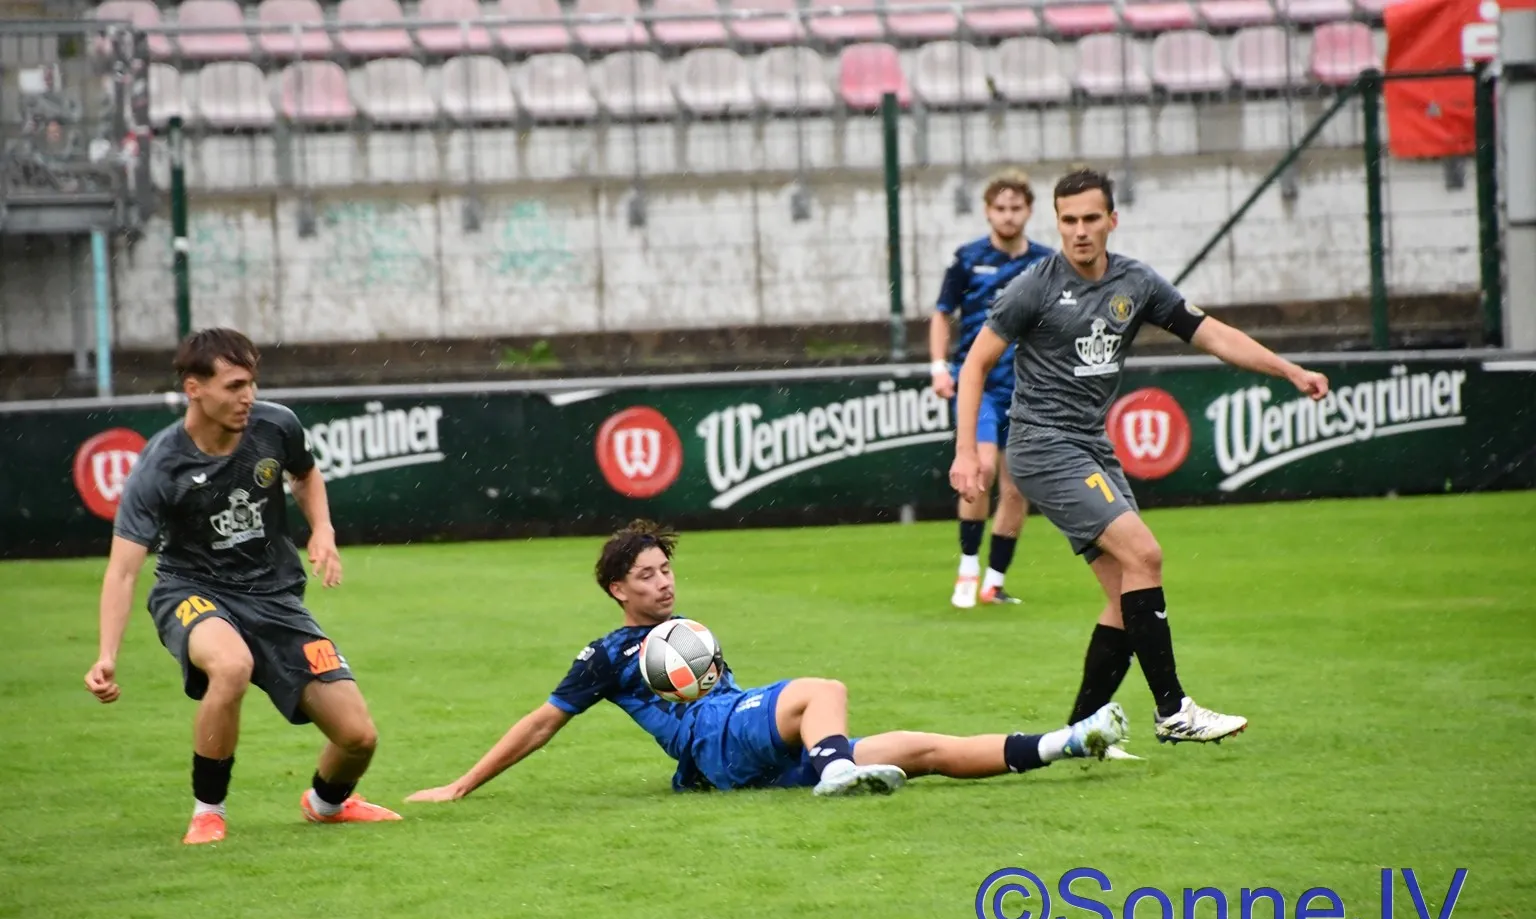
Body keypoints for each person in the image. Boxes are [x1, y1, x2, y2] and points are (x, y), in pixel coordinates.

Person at [949, 167, 1330, 745]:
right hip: (1043, 446)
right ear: (1057, 223)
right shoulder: (1034, 286)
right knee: (1145, 554)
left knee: (1125, 595)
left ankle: (1078, 735)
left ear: (1112, 220)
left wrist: (1289, 370)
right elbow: (975, 364)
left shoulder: (1136, 282)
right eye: (1068, 220)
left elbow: (1212, 333)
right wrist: (965, 453)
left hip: (1091, 446)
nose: (1079, 231)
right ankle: (1173, 711)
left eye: (1090, 219)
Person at [405, 520, 1130, 803]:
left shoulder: (683, 628)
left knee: (922, 749)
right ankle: (835, 772)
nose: (663, 582)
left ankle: (1070, 741)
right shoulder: (606, 655)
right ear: (617, 590)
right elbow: (543, 722)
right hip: (714, 739)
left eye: (666, 569)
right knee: (821, 688)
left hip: (743, 748)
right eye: (647, 576)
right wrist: (461, 785)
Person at [83, 328, 401, 844]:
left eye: (251, 383)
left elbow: (305, 475)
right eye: (234, 386)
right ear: (194, 388)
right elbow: (122, 571)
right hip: (191, 591)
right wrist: (106, 655)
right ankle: (208, 811)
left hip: (274, 597)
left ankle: (326, 805)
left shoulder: (277, 426)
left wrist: (322, 528)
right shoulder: (160, 466)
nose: (247, 396)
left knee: (358, 738)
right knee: (231, 666)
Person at [929, 169, 1055, 609]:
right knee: (979, 469)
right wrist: (939, 366)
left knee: (1018, 486)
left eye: (1015, 208)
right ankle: (968, 569)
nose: (1008, 215)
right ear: (987, 211)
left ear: (1029, 211)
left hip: (1026, 388)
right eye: (1000, 208)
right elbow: (942, 313)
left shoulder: (1046, 263)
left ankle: (994, 583)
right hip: (978, 384)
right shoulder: (968, 259)